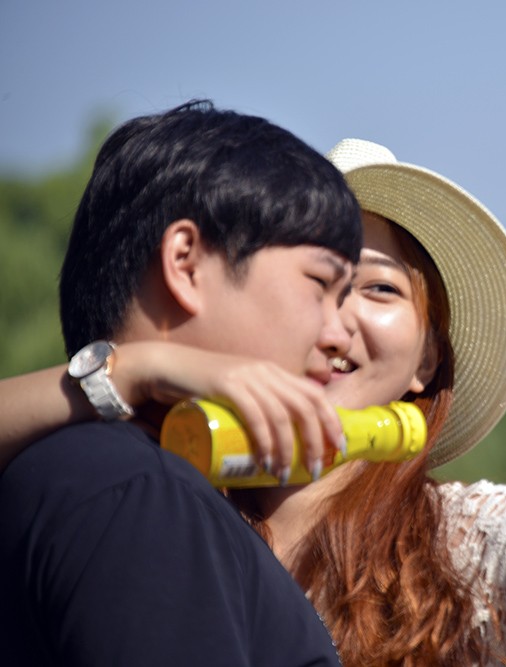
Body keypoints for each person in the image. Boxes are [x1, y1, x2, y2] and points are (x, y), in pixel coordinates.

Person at [0, 138, 506, 666]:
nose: (336, 324)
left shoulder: (464, 543)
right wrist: (129, 371)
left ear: (428, 356)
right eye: (317, 286)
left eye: (376, 288)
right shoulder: (147, 493)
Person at [0, 101, 359, 666]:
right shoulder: (142, 493)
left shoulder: (84, 471)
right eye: (320, 285)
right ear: (186, 263)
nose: (341, 335)